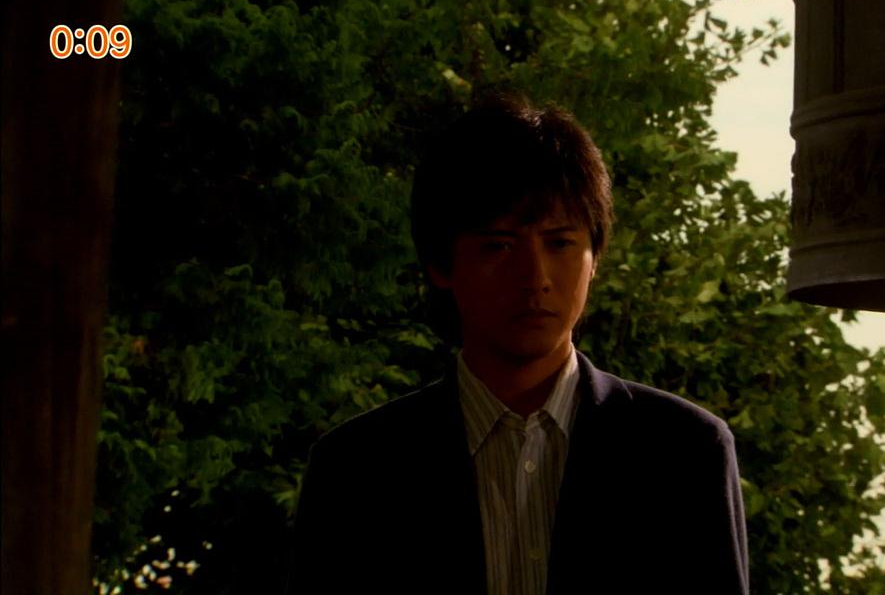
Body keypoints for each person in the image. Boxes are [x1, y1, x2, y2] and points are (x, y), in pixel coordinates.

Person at [285, 93, 749, 594]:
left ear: (595, 259)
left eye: (561, 243)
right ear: (441, 264)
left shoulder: (684, 451)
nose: (535, 277)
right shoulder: (356, 469)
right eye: (499, 246)